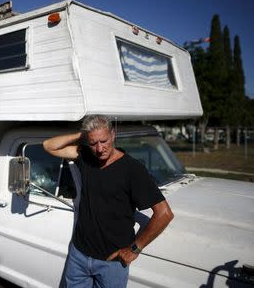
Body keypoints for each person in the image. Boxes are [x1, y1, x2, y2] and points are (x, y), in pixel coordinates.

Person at [43, 115, 174, 287]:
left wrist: (135, 249)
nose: (99, 149)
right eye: (93, 143)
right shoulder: (85, 157)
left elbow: (164, 214)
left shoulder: (132, 169)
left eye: (104, 141)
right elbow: (48, 146)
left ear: (113, 135)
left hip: (111, 263)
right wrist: (81, 135)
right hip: (79, 254)